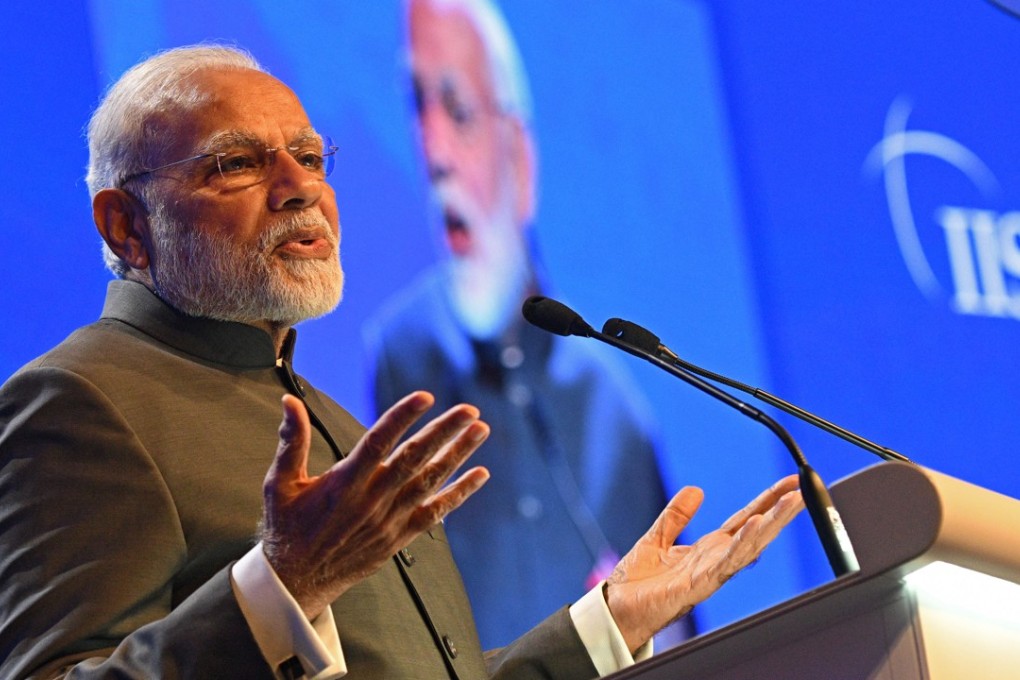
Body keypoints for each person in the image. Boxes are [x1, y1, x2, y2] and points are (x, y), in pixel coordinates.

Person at [0, 44, 803, 679]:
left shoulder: (341, 427)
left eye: (311, 158)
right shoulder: (80, 402)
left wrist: (609, 621)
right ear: (125, 227)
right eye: (238, 164)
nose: (298, 189)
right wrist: (281, 588)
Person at [364, 0, 676, 647]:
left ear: (522, 161)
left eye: (458, 111)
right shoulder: (400, 356)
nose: (433, 150)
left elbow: (679, 632)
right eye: (417, 106)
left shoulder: (609, 405)